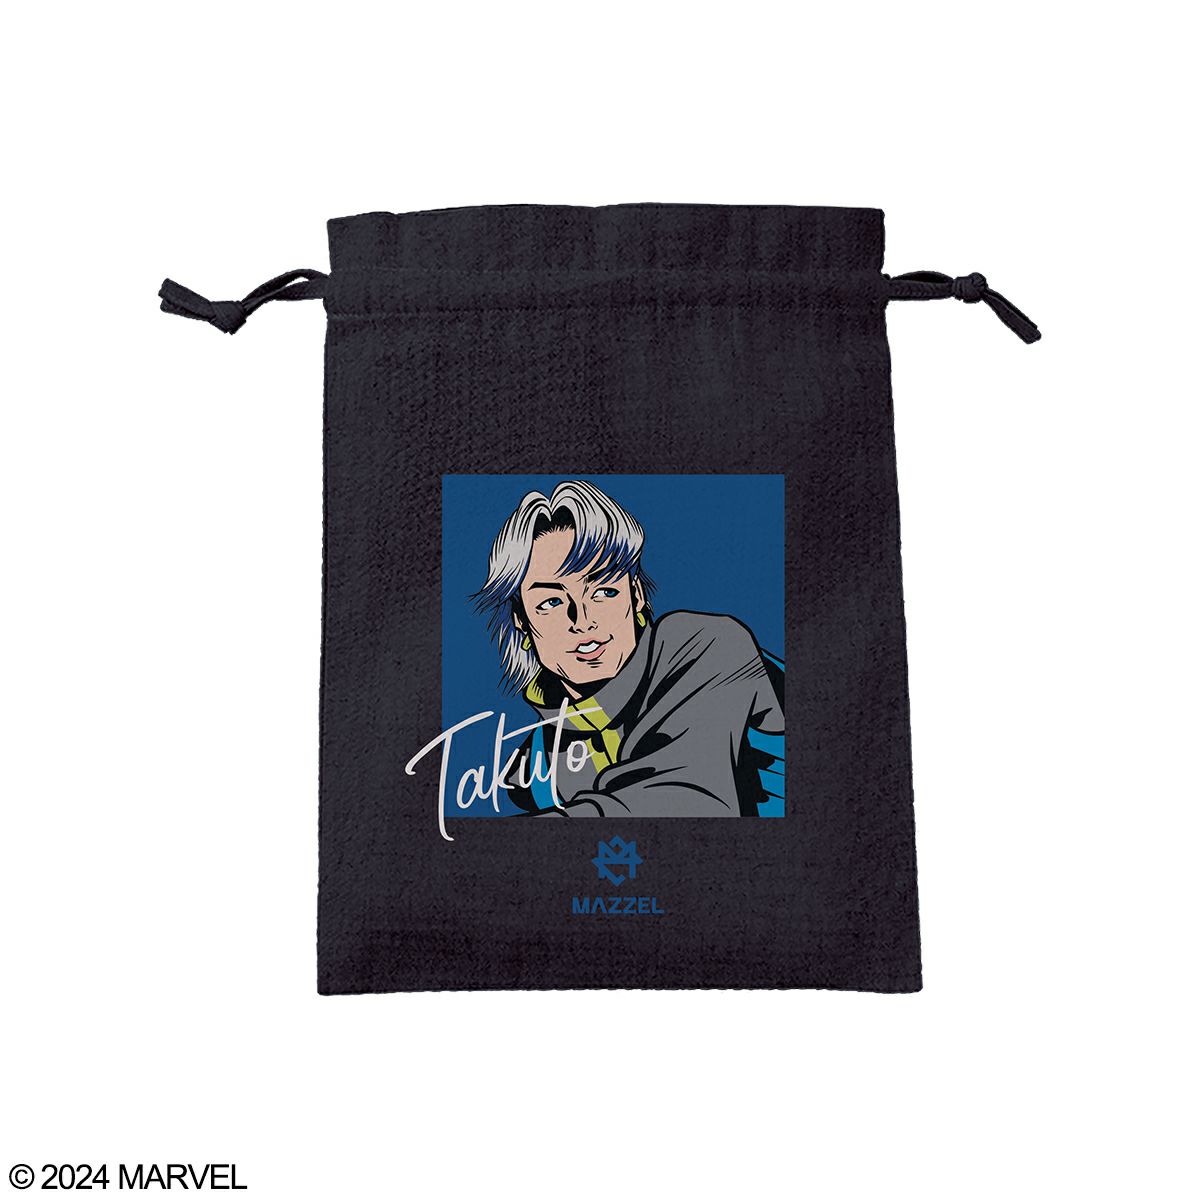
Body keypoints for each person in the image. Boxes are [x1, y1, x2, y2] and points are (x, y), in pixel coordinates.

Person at [474, 480, 784, 817]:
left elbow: (686, 800)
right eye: (551, 601)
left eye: (603, 591)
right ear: (521, 619)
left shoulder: (708, 646)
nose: (583, 620)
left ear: (636, 594)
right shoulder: (536, 769)